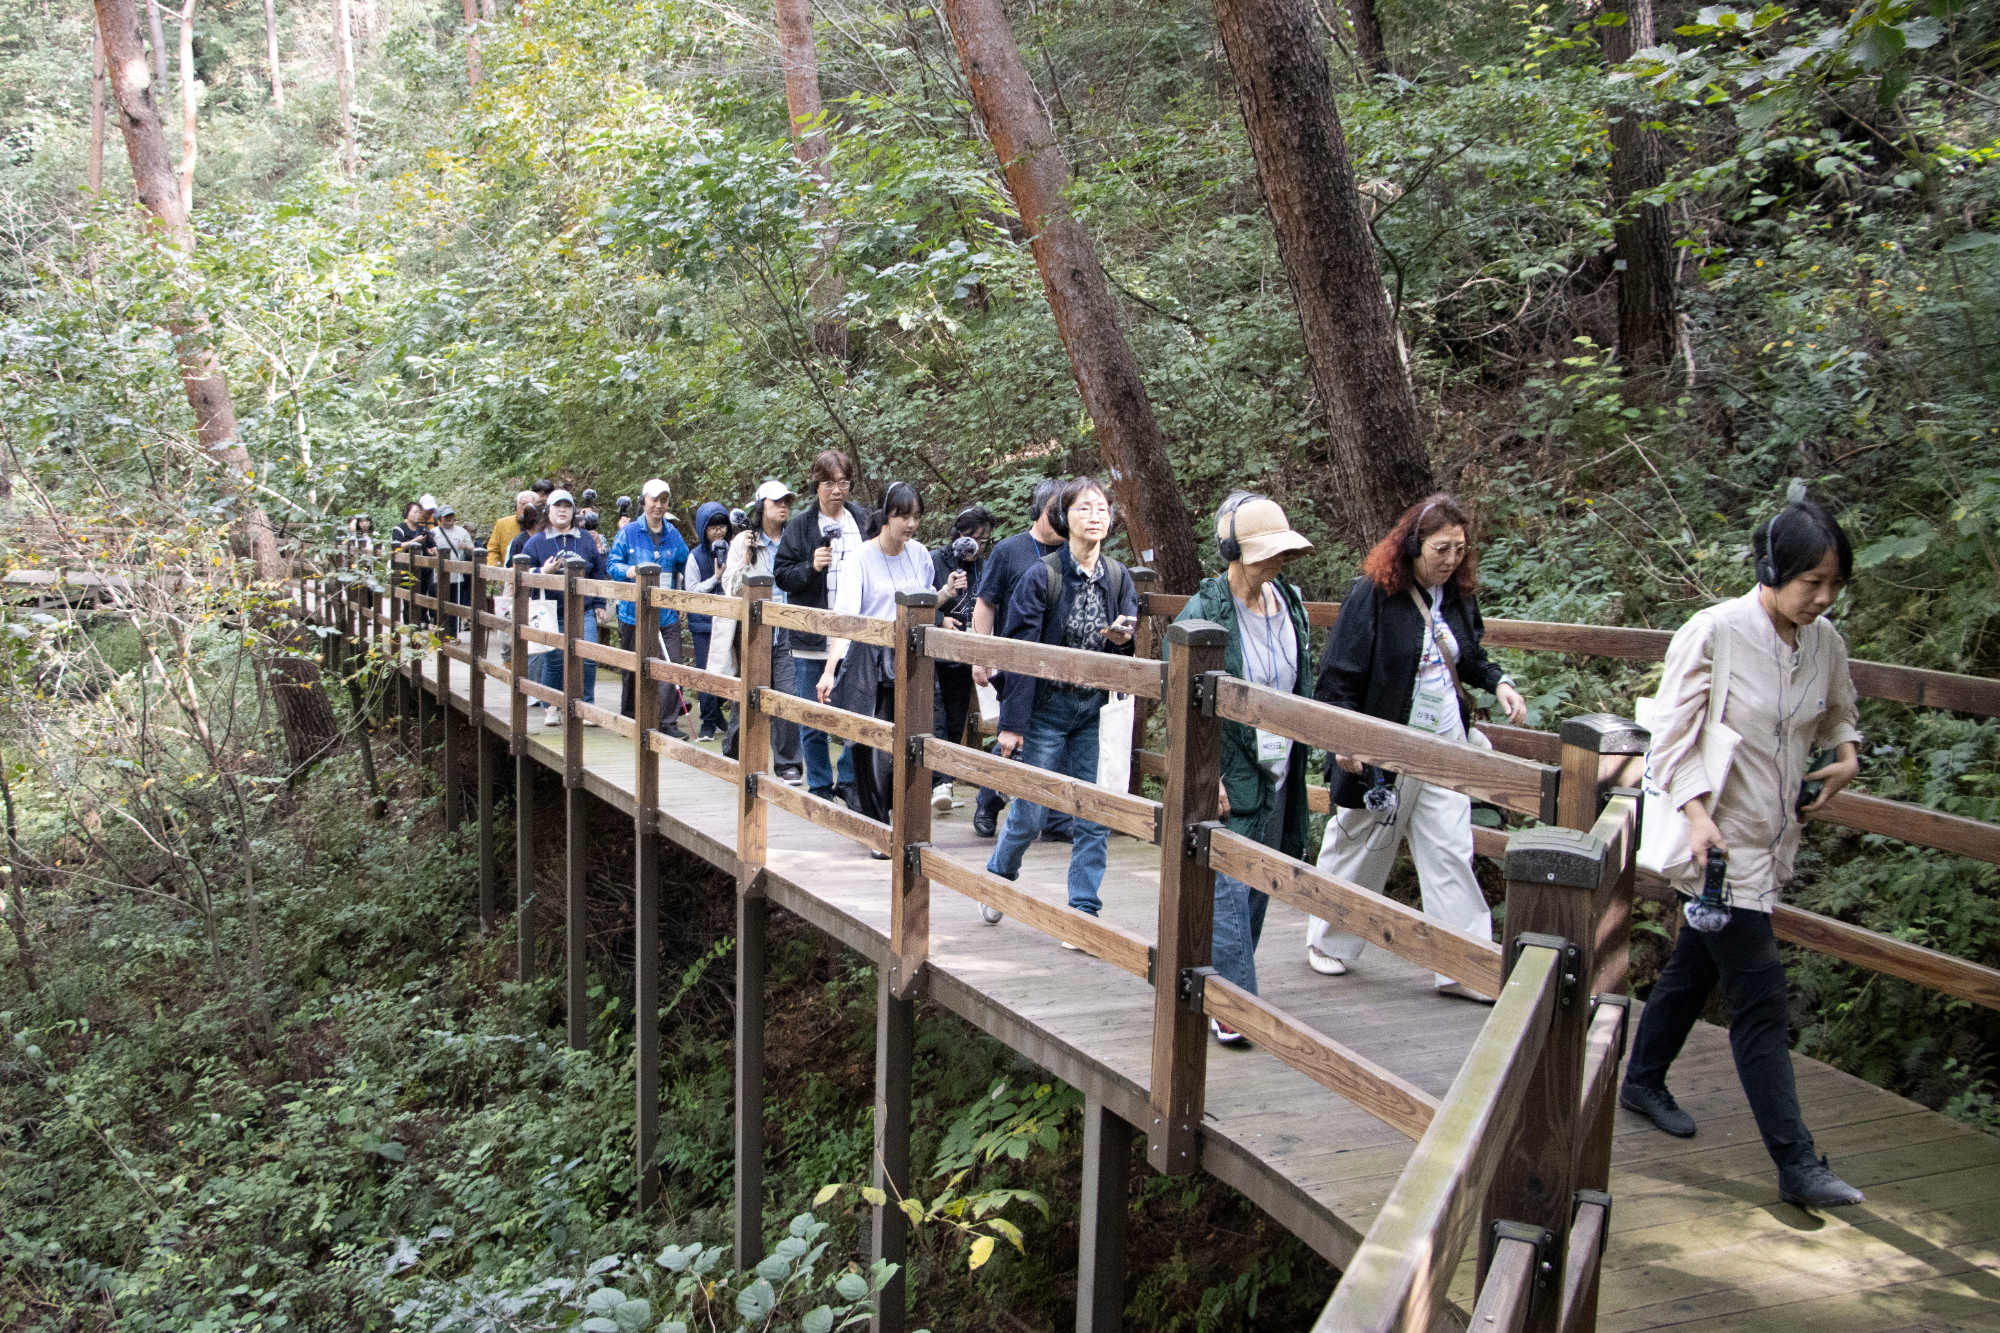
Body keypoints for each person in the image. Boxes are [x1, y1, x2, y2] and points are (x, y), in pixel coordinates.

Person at [1619, 501, 1865, 1209]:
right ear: (1772, 569)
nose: (1822, 597)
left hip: (1774, 836)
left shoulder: (1824, 642)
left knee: (1697, 962)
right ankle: (1797, 1163)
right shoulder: (1716, 632)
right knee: (1760, 1000)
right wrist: (1696, 815)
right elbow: (1669, 738)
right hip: (1718, 846)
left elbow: (1840, 707)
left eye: (1834, 583)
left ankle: (1641, 1079)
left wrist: (1845, 755)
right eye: (1811, 581)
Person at [1306, 494, 1529, 1000]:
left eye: (1459, 549)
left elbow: (1469, 657)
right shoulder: (1373, 595)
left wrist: (1499, 682)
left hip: (1444, 744)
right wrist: (1344, 738)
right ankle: (1329, 940)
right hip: (1386, 742)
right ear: (1412, 545)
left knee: (1451, 848)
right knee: (1363, 841)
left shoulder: (1458, 596)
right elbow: (1338, 674)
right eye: (1440, 548)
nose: (1450, 559)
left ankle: (1462, 964)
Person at [1171, 494, 1317, 1044]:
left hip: (1280, 765)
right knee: (1229, 886)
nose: (1274, 563)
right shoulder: (1205, 610)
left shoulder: (1292, 603)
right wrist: (1207, 772)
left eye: (1280, 553)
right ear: (1232, 552)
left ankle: (1219, 987)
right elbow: (1177, 690)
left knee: (1258, 882)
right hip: (1230, 769)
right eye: (1263, 554)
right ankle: (1235, 1005)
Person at [982, 477, 1138, 935]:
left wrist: (1123, 641)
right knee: (1030, 816)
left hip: (1093, 710)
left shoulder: (1117, 576)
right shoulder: (1042, 575)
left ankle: (1083, 913)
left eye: (1103, 508)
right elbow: (1020, 655)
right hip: (1046, 709)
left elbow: (1126, 651)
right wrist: (1012, 725)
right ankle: (998, 878)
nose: (1096, 515)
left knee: (1093, 813)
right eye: (1085, 508)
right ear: (1063, 518)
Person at [815, 481, 935, 847]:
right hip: (870, 659)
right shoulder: (861, 559)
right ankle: (876, 827)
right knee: (871, 745)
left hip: (911, 660)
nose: (909, 524)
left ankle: (901, 823)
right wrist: (830, 669)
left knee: (911, 743)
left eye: (915, 516)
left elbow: (928, 602)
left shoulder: (921, 554)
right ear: (886, 515)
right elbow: (846, 618)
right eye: (902, 515)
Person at [968, 479, 1070, 840]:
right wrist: (981, 655)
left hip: (1059, 664)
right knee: (1013, 738)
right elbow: (986, 603)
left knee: (1056, 738)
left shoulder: (1072, 555)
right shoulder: (1010, 551)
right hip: (1017, 660)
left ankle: (1057, 817)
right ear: (1041, 510)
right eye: (1057, 511)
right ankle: (989, 799)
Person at [774, 450, 870, 803]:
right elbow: (782, 575)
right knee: (812, 715)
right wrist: (810, 567)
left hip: (854, 636)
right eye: (829, 482)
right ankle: (818, 785)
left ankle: (847, 779)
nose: (836, 490)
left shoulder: (862, 520)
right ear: (816, 483)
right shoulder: (800, 526)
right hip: (811, 635)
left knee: (855, 713)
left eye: (843, 482)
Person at [719, 480, 805, 784]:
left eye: (786, 502)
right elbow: (730, 587)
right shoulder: (743, 540)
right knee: (749, 692)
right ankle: (734, 749)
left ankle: (787, 763)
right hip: (754, 627)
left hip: (788, 627)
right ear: (761, 506)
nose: (782, 506)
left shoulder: (795, 538)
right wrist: (745, 557)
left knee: (787, 692)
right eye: (775, 502)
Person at [608, 479, 692, 737]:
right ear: (643, 500)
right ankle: (632, 717)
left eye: (663, 500)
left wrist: (682, 598)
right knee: (634, 666)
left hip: (666, 614)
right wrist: (630, 571)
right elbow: (612, 565)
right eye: (654, 499)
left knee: (672, 664)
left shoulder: (673, 534)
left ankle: (667, 722)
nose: (658, 505)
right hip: (633, 613)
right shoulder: (629, 532)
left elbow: (686, 566)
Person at [520, 489, 607, 727]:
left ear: (573, 511)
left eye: (567, 506)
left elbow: (598, 573)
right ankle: (552, 706)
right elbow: (519, 574)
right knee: (555, 659)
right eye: (557, 506)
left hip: (583, 610)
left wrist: (600, 603)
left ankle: (586, 706)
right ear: (548, 511)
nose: (562, 510)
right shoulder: (536, 542)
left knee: (588, 658)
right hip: (551, 611)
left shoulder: (586, 539)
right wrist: (542, 572)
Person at [930, 505, 992, 813]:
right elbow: (918, 600)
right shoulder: (934, 560)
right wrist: (941, 618)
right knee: (935, 716)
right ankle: (939, 781)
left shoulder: (984, 566)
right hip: (934, 651)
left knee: (956, 720)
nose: (979, 545)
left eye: (985, 539)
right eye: (975, 538)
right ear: (960, 534)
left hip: (964, 655)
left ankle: (946, 782)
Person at [684, 501, 735, 742]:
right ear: (703, 528)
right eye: (712, 527)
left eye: (722, 526)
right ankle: (708, 722)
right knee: (706, 670)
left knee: (729, 671)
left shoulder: (734, 550)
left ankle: (716, 714)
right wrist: (715, 577)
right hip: (703, 622)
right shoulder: (695, 556)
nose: (718, 531)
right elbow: (691, 591)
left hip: (729, 620)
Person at [431, 503, 474, 636]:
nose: (449, 518)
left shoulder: (462, 532)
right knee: (439, 605)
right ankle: (440, 633)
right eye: (446, 516)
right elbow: (427, 550)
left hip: (456, 576)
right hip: (438, 575)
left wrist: (466, 547)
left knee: (454, 605)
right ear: (440, 518)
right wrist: (431, 551)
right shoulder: (433, 533)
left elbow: (474, 551)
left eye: (451, 515)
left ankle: (453, 634)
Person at [390, 502, 432, 624]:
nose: (418, 515)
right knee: (408, 599)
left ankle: (422, 622)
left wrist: (432, 550)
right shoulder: (399, 529)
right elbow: (397, 547)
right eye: (415, 512)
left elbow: (431, 546)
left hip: (423, 569)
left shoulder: (423, 529)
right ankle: (410, 628)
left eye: (419, 512)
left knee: (422, 596)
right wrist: (416, 540)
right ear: (407, 514)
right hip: (405, 569)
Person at [487, 491, 537, 567]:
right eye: (523, 504)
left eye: (530, 505)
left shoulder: (541, 526)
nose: (526, 507)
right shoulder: (502, 523)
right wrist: (491, 571)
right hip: (507, 570)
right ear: (517, 506)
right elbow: (492, 550)